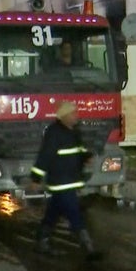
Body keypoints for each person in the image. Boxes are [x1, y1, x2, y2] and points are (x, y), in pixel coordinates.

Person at [29, 101, 102, 261]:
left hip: (71, 179)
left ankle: (42, 240)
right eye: (73, 113)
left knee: (54, 212)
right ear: (63, 116)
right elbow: (45, 156)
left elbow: (79, 150)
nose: (76, 115)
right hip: (60, 182)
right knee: (74, 212)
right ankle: (88, 248)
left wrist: (86, 156)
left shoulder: (74, 131)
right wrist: (36, 178)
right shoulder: (53, 132)